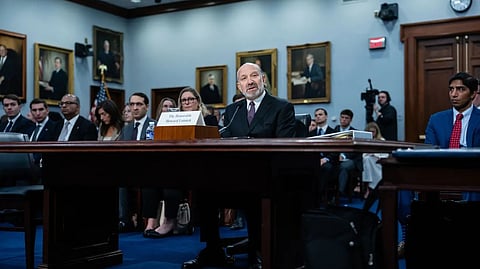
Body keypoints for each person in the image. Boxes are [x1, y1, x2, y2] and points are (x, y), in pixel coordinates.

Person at [182, 63, 295, 269]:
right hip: (236, 176)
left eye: (254, 76)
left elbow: (284, 147)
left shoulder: (282, 107)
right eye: (244, 78)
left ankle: (259, 250)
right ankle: (213, 249)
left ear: (263, 80)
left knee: (256, 192)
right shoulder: (233, 109)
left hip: (267, 177)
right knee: (204, 190)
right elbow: (223, 137)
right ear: (239, 86)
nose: (249, 81)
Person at [141, 95, 184, 238]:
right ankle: (150, 222)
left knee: (169, 186)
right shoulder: (154, 126)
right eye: (165, 106)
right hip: (158, 167)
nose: (167, 109)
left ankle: (169, 221)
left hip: (177, 168)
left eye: (171, 107)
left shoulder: (182, 125)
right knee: (149, 185)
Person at [118, 92, 158, 233]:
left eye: (139, 104)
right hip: (130, 169)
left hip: (149, 169)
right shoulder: (126, 128)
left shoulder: (155, 125)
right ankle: (124, 220)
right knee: (118, 180)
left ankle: (146, 222)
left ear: (146, 107)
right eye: (132, 104)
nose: (134, 108)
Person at [307, 108, 338, 205]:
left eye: (320, 114)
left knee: (326, 168)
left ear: (326, 116)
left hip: (329, 161)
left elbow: (336, 151)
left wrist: (325, 159)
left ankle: (320, 196)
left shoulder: (333, 132)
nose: (318, 117)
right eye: (316, 115)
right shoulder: (311, 133)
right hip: (314, 160)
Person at [333, 109, 362, 198]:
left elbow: (356, 150)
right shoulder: (334, 130)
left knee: (343, 167)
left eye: (346, 118)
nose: (344, 119)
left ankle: (339, 193)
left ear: (350, 120)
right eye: (342, 117)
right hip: (335, 157)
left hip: (351, 159)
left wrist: (343, 155)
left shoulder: (354, 132)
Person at [29, 98, 59, 168]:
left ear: (47, 110)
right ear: (31, 111)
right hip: (27, 166)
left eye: (41, 109)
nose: (38, 113)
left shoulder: (55, 127)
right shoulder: (29, 127)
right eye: (34, 110)